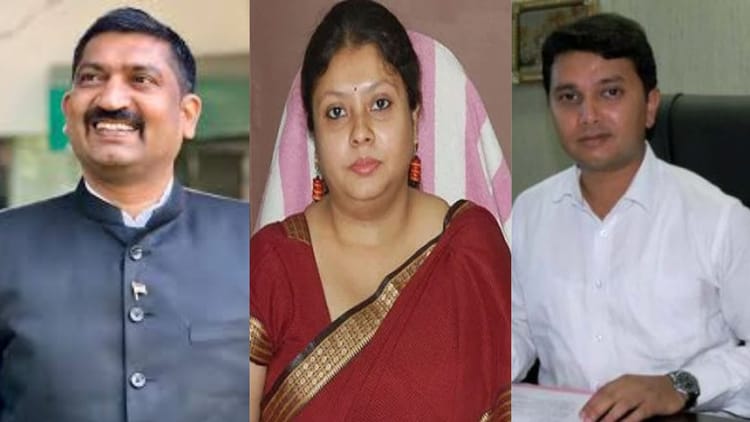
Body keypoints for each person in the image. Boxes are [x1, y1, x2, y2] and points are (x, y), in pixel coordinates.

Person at [249, 0, 510, 420]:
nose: (361, 132)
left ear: (415, 119)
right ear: (314, 139)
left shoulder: (472, 252)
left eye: (381, 104)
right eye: (336, 112)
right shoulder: (268, 266)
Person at [0, 8, 249, 421]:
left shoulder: (256, 241)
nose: (111, 100)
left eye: (141, 79)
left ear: (187, 115)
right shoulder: (7, 245)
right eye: (91, 78)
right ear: (68, 111)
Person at [512, 13, 750, 421]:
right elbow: (515, 329)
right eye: (568, 97)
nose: (588, 115)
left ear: (651, 105)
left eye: (610, 93)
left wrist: (680, 384)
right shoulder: (528, 212)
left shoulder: (718, 219)